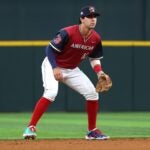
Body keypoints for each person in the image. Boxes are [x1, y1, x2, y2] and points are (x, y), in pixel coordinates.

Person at [23, 5, 109, 140]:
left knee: (92, 94)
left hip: (72, 69)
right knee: (51, 92)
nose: (93, 20)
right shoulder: (67, 32)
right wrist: (55, 67)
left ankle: (91, 131)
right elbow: (49, 50)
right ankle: (31, 127)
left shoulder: (96, 38)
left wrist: (100, 72)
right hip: (53, 65)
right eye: (90, 17)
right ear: (82, 19)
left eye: (95, 17)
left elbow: (94, 58)